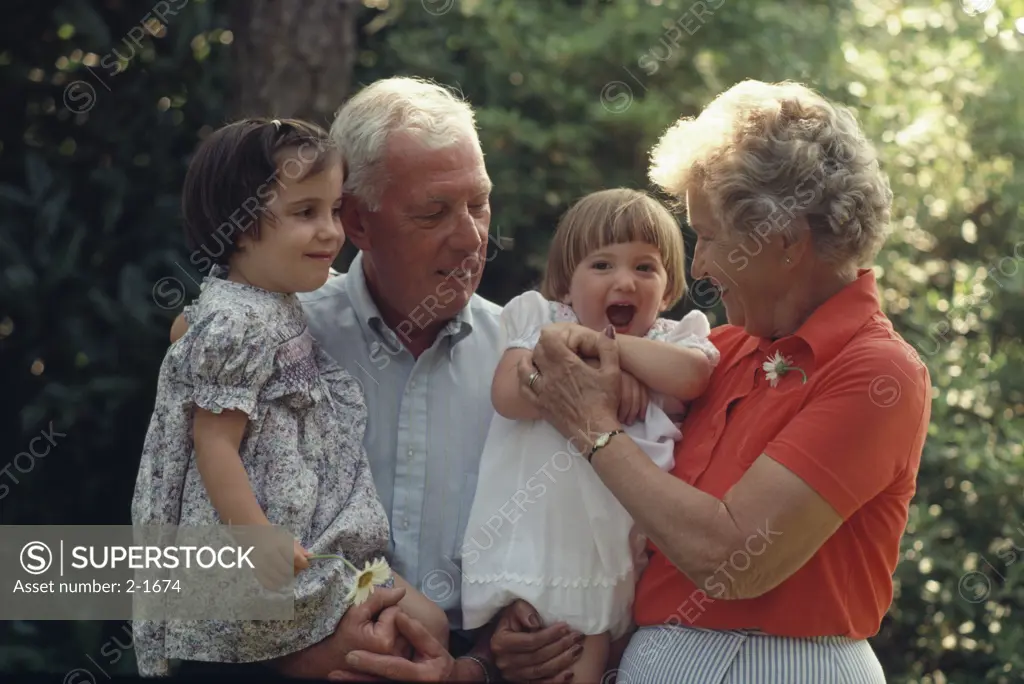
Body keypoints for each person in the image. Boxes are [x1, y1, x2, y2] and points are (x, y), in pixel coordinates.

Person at [170, 78, 586, 682]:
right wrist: (296, 656)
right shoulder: (260, 342)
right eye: (434, 211)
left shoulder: (526, 364)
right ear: (357, 222)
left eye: (479, 203)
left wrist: (481, 664)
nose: (472, 238)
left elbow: (577, 552)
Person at [518, 80, 931, 683]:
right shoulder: (719, 352)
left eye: (709, 237)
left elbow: (735, 557)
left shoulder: (877, 373)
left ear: (785, 242)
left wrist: (594, 430)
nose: (702, 265)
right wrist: (534, 619)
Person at [135, 117, 447, 678]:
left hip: (305, 533)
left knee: (423, 627)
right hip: (271, 548)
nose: (330, 231)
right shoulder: (242, 321)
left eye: (332, 210)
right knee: (419, 627)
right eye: (305, 213)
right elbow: (213, 443)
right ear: (237, 228)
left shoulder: (258, 301)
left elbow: (189, 332)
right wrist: (257, 538)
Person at [459, 188, 719, 681]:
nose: (625, 280)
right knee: (537, 649)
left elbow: (695, 377)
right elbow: (508, 393)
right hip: (537, 544)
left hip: (619, 559)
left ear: (667, 290)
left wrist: (614, 354)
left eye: (646, 268)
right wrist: (599, 364)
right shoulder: (544, 319)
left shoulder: (671, 340)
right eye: (602, 265)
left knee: (588, 658)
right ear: (565, 284)